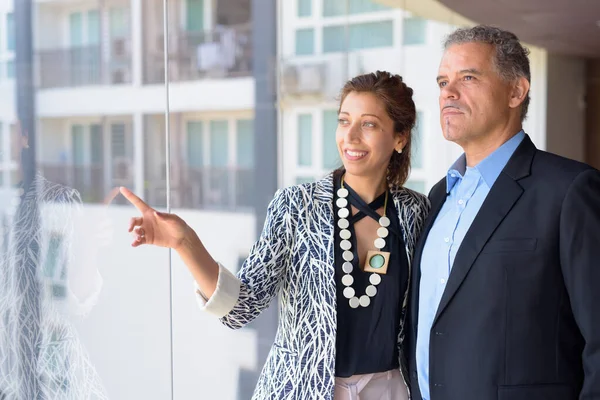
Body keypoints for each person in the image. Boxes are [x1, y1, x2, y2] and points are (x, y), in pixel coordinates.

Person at [120, 71, 430, 399]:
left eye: (368, 124)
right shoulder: (295, 207)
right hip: (301, 389)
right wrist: (185, 242)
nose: (350, 136)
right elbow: (241, 307)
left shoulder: (416, 212)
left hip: (389, 390)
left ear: (400, 138)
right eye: (343, 121)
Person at [405, 25, 600, 400]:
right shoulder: (437, 197)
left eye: (468, 77)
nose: (448, 91)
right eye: (443, 80)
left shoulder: (570, 190)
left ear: (516, 91)